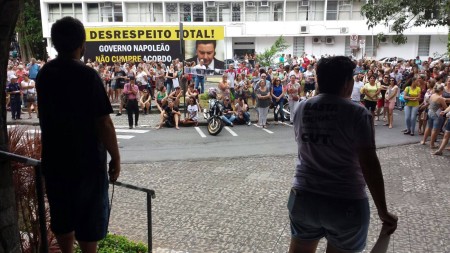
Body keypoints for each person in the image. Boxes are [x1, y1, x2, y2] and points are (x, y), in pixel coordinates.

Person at [288, 56, 397, 253]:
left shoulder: (302, 107)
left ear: (319, 80)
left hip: (304, 196)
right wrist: (382, 210)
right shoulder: (358, 113)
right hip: (345, 201)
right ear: (348, 82)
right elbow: (369, 162)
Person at [35, 17, 120, 253]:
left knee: (62, 214)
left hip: (55, 158)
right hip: (86, 162)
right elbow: (103, 122)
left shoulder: (44, 74)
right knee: (88, 218)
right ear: (81, 44)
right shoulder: (87, 75)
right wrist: (116, 157)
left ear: (54, 42)